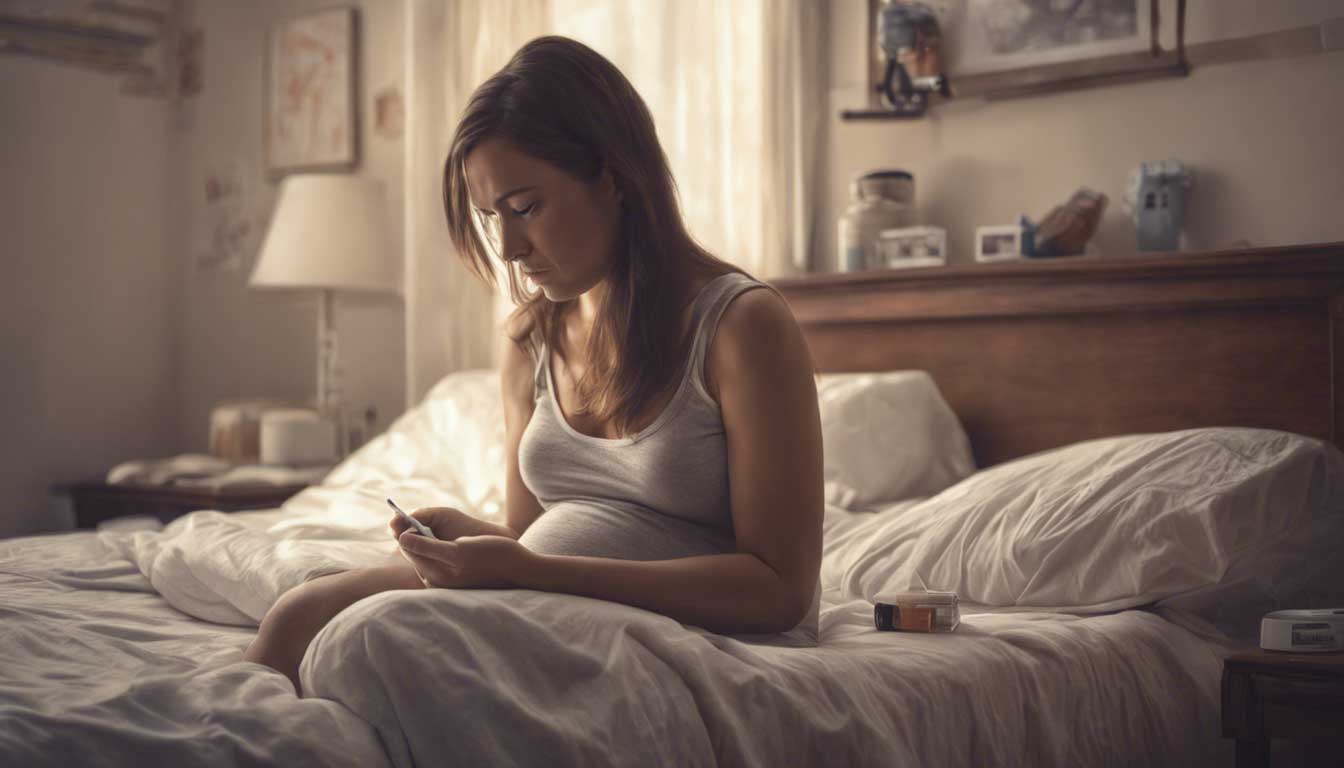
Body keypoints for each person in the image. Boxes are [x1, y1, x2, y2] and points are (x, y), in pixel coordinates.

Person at [244, 35, 823, 694]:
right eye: (494, 218)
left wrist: (533, 573)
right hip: (548, 597)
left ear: (612, 177)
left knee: (371, 646)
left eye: (525, 208)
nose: (511, 248)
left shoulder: (742, 326)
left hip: (690, 631)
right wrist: (472, 542)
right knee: (296, 619)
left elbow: (781, 590)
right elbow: (527, 537)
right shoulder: (530, 339)